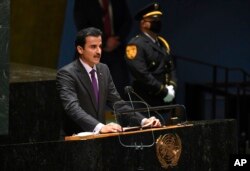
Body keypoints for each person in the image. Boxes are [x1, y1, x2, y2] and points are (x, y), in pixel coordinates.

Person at [56, 27, 161, 135]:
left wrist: (144, 121)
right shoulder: (67, 73)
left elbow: (117, 103)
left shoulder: (103, 69)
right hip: (75, 137)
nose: (98, 51)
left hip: (99, 139)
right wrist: (100, 127)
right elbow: (72, 108)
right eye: (93, 47)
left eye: (100, 46)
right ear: (80, 49)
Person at [74, 0, 131, 98]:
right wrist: (105, 41)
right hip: (91, 52)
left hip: (116, 51)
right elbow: (83, 27)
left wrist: (117, 39)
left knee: (121, 93)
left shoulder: (118, 2)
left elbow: (128, 21)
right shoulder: (82, 2)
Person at [125, 3, 177, 107]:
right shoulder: (135, 44)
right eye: (153, 20)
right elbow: (141, 74)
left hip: (165, 100)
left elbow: (170, 68)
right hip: (145, 101)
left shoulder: (162, 43)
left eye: (158, 20)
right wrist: (163, 90)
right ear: (143, 23)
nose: (157, 22)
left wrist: (172, 87)